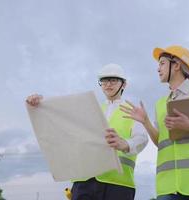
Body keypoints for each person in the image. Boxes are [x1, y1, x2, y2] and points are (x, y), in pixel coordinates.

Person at [121, 45, 189, 200]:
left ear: (177, 65)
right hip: (169, 187)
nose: (158, 69)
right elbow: (161, 142)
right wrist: (146, 122)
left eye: (162, 63)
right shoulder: (161, 104)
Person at [26, 63, 148, 200]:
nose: (108, 84)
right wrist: (42, 105)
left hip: (117, 184)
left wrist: (125, 144)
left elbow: (142, 139)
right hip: (83, 182)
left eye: (113, 80)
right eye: (104, 80)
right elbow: (63, 120)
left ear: (124, 84)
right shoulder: (89, 109)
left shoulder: (132, 111)